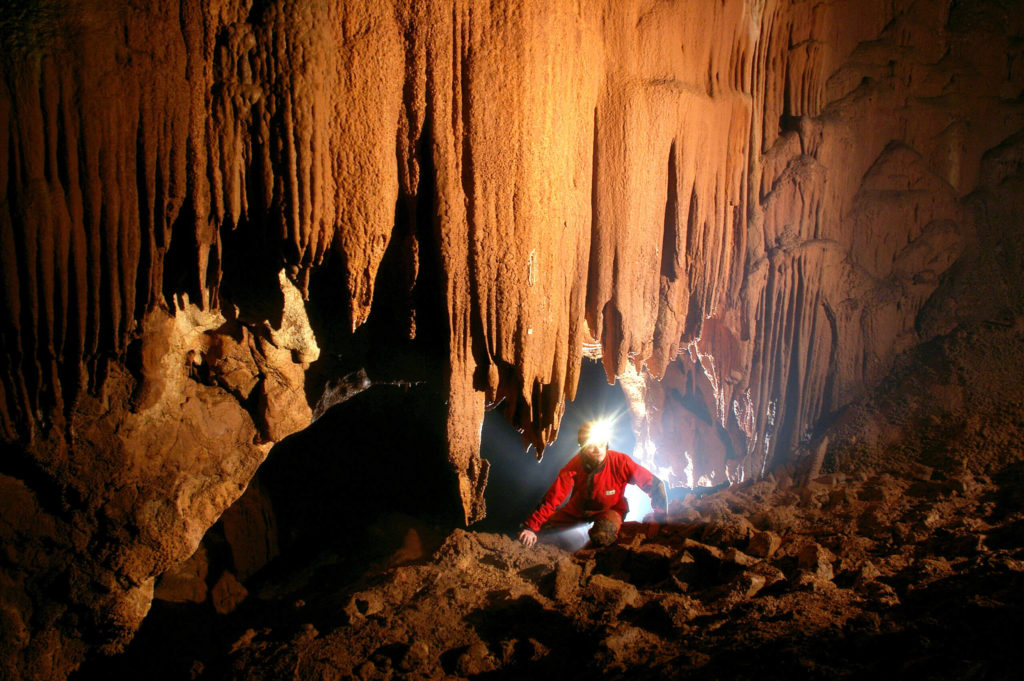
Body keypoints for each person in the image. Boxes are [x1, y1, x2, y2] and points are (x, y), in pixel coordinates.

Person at [518, 421, 668, 548]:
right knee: (543, 533)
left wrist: (659, 516)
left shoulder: (620, 462)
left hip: (610, 509)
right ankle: (571, 540)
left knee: (602, 535)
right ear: (583, 448)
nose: (598, 450)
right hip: (578, 510)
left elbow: (655, 485)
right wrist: (531, 527)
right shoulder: (575, 464)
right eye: (591, 445)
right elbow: (553, 497)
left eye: (601, 444)